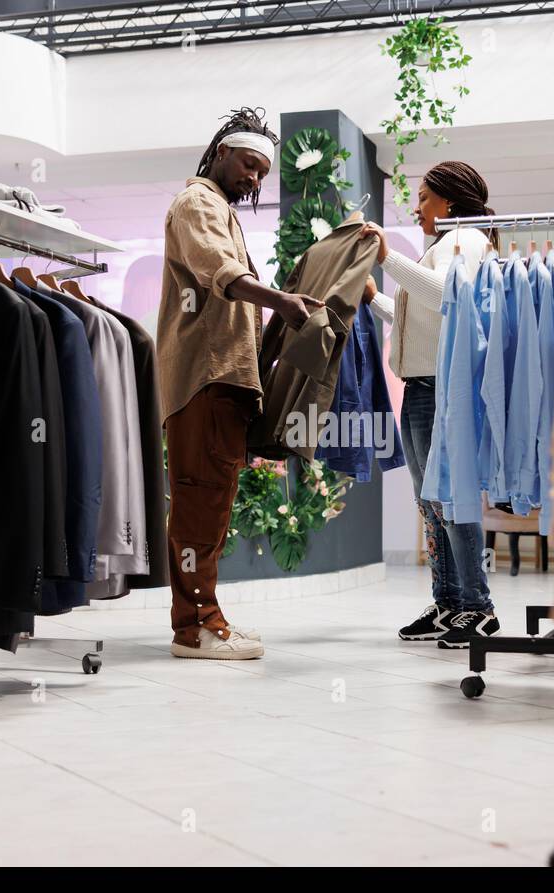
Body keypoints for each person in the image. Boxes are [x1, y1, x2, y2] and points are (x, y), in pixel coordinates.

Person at [156, 107, 323, 660]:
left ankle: (208, 617)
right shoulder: (197, 203)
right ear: (221, 152)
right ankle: (194, 627)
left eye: (262, 172)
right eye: (249, 164)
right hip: (204, 379)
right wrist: (280, 301)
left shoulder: (221, 211)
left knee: (213, 504)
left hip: (223, 381)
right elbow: (222, 275)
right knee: (201, 504)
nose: (254, 178)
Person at [358, 161, 500, 647]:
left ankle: (478, 608)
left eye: (423, 197)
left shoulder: (466, 240)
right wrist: (378, 297)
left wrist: (389, 259)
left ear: (450, 202)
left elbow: (448, 296)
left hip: (442, 389)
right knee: (431, 502)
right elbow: (419, 323)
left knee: (450, 499)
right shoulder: (441, 247)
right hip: (422, 387)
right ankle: (449, 603)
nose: (416, 207)